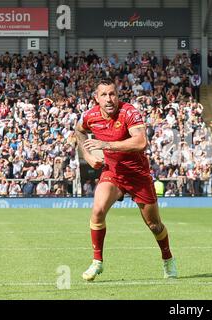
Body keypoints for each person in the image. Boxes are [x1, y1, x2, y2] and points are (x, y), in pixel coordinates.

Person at [75, 78, 177, 281]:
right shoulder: (90, 116)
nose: (109, 98)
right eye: (103, 95)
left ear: (118, 95)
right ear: (96, 98)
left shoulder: (129, 112)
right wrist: (87, 156)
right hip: (113, 172)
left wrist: (105, 145)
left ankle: (167, 258)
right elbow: (79, 131)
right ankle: (97, 262)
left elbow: (141, 142)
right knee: (97, 211)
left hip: (138, 175)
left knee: (154, 225)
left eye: (112, 94)